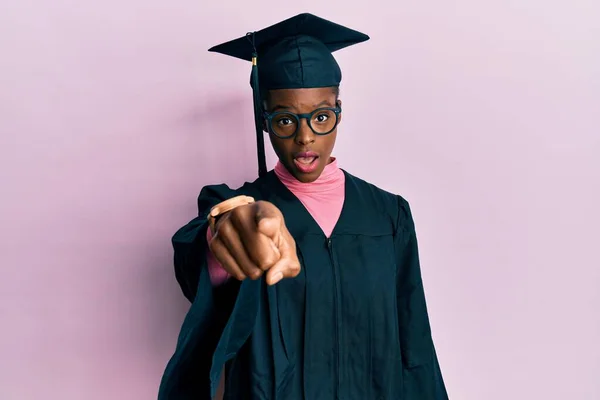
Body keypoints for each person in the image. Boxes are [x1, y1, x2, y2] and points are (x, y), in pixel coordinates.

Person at [158, 13, 448, 400]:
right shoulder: (245, 211)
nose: (305, 137)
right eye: (285, 121)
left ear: (339, 112)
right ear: (266, 122)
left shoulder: (388, 214)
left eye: (321, 117)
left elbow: (414, 346)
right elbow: (197, 265)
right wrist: (222, 231)